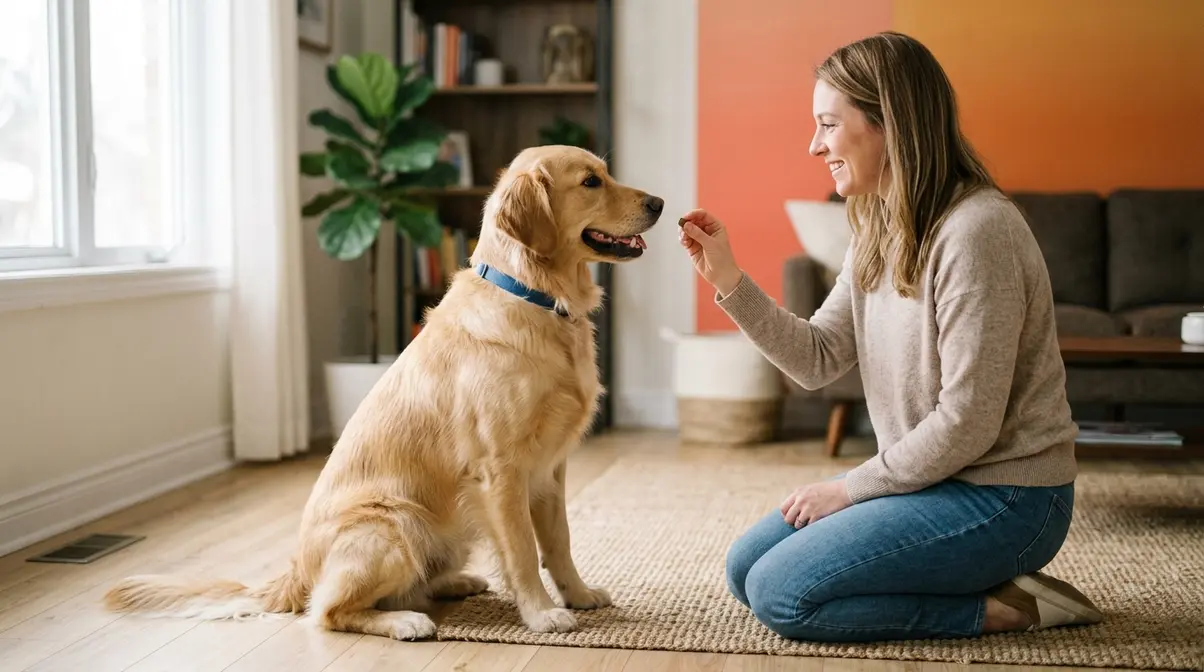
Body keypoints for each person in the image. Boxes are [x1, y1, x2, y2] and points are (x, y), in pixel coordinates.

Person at [677, 30, 1104, 643]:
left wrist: (849, 490)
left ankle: (1008, 609)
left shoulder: (976, 231)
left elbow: (968, 421)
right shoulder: (878, 223)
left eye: (828, 123)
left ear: (889, 125)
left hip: (1008, 498)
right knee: (746, 570)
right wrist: (727, 277)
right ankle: (959, 576)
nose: (813, 144)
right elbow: (817, 358)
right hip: (931, 482)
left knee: (782, 595)